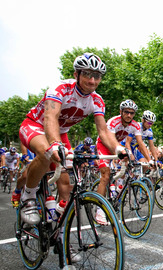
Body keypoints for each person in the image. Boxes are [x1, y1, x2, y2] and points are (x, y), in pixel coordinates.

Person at [18, 53, 126, 226]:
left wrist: (118, 149)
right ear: (76, 74)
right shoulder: (60, 89)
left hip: (60, 133)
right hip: (35, 125)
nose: (92, 81)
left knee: (67, 189)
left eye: (97, 76)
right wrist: (54, 143)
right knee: (47, 153)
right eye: (87, 74)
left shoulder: (97, 100)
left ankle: (62, 238)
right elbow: (50, 118)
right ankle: (28, 197)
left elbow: (103, 131)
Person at [95, 99, 151, 224]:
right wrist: (118, 154)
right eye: (126, 112)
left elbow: (141, 143)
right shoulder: (113, 122)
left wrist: (149, 160)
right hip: (104, 145)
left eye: (132, 113)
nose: (129, 115)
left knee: (130, 164)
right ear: (121, 111)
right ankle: (99, 210)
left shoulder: (135, 125)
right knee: (105, 174)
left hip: (118, 148)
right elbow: (109, 139)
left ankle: (119, 187)